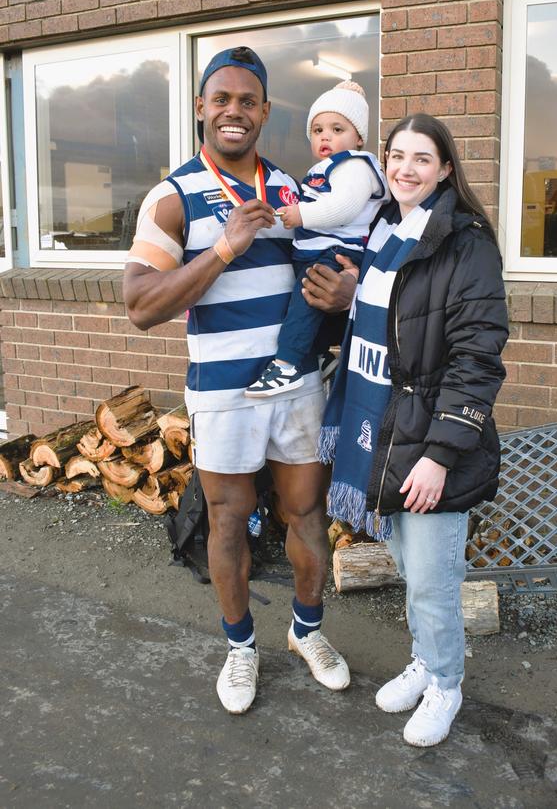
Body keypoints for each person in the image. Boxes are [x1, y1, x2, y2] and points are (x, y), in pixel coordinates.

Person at [122, 46, 352, 715]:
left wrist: (345, 294)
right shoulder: (172, 197)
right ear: (201, 107)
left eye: (247, 101)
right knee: (227, 521)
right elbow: (139, 306)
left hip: (297, 387)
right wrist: (222, 247)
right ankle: (240, 646)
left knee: (306, 514)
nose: (233, 111)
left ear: (264, 112)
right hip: (222, 394)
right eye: (221, 98)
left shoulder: (295, 192)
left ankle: (307, 632)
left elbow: (338, 272)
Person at [319, 113, 508, 747]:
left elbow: (478, 357)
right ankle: (426, 661)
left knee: (432, 579)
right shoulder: (389, 230)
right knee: (405, 563)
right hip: (384, 431)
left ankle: (446, 685)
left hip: (430, 443)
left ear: (446, 168)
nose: (405, 168)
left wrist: (441, 456)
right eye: (396, 155)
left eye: (421, 159)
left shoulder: (465, 242)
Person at [245, 80, 388, 397]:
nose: (326, 136)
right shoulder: (330, 167)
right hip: (319, 251)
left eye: (338, 129)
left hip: (334, 253)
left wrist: (300, 215)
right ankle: (321, 357)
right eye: (318, 129)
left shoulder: (353, 164)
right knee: (310, 310)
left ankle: (285, 366)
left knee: (303, 306)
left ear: (359, 137)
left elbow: (345, 206)